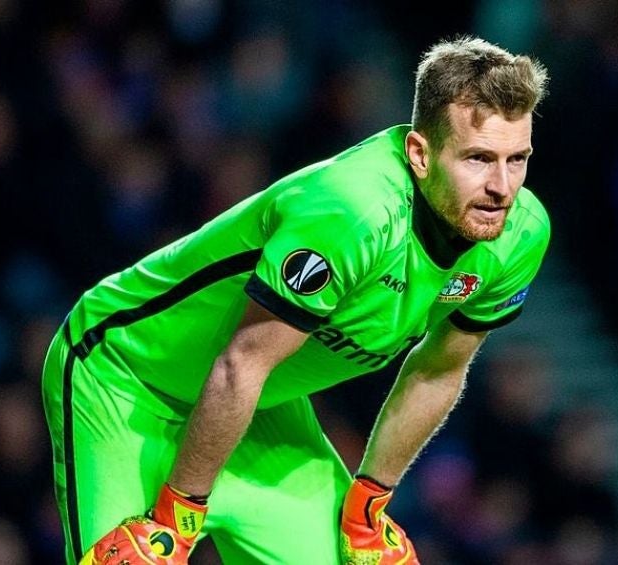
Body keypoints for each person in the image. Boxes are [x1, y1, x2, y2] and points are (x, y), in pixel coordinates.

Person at [41, 36, 550, 564]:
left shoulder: (520, 234)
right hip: (128, 380)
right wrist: (176, 517)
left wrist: (368, 503)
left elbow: (440, 369)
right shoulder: (352, 211)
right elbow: (243, 360)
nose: (502, 187)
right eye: (478, 159)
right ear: (419, 154)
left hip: (255, 412)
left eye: (518, 159)